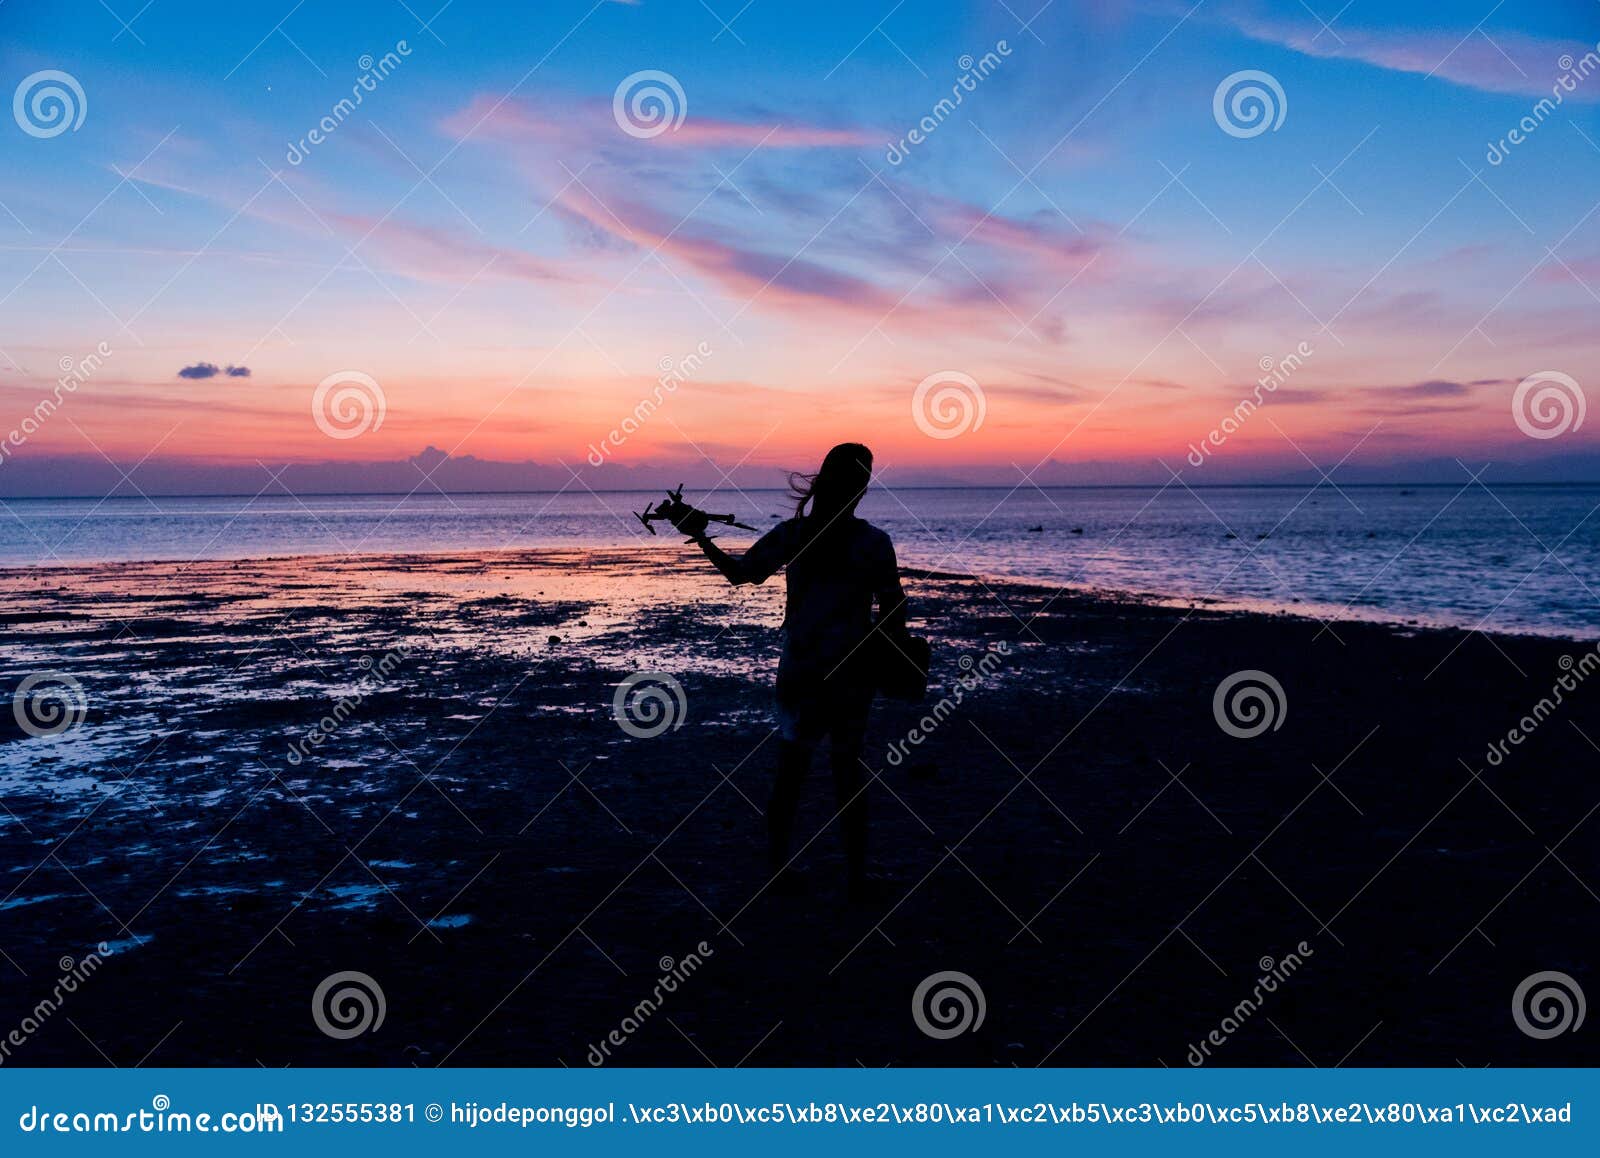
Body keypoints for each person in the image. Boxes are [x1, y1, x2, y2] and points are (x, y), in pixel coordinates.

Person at [683, 443, 906, 899]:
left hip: (801, 671)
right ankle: (857, 878)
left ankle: (778, 870)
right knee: (847, 771)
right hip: (851, 673)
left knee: (792, 772)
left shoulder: (794, 535)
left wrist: (702, 537)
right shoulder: (872, 543)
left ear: (823, 481)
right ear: (863, 487)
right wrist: (892, 647)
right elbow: (894, 606)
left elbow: (741, 574)